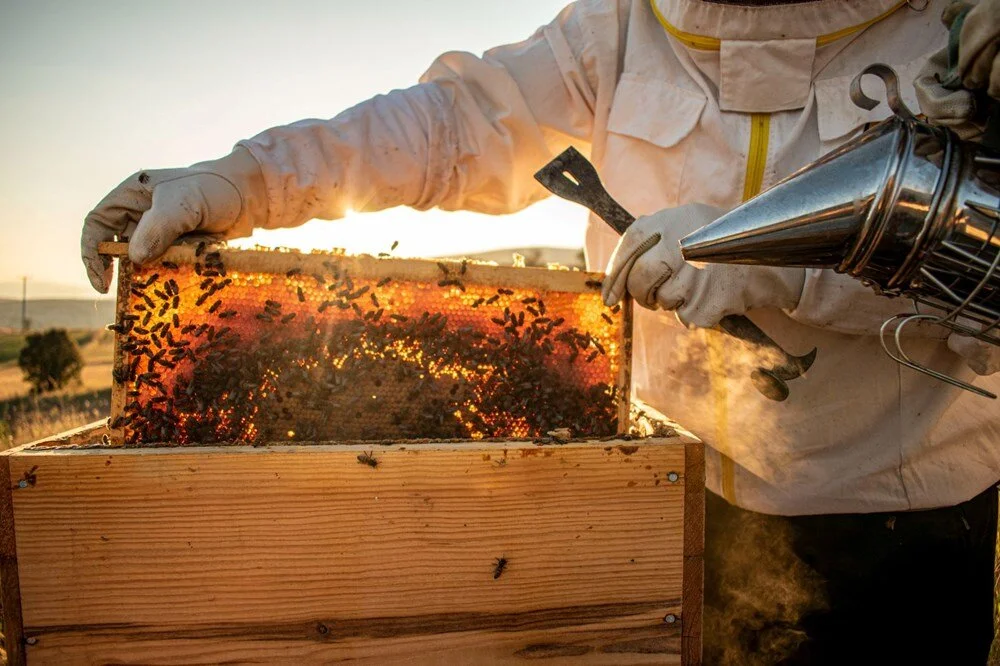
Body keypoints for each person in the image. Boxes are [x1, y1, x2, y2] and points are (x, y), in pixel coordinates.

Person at [81, 1, 1000, 662]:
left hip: (903, 516)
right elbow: (452, 122)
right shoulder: (625, 28)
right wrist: (243, 180)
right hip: (668, 498)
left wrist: (769, 260)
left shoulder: (956, 32)